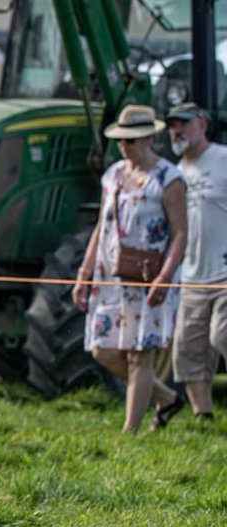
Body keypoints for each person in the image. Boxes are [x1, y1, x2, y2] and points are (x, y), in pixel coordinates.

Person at [72, 104, 188, 433]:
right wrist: (84, 273)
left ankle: (130, 434)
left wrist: (165, 278)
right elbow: (102, 227)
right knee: (103, 350)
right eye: (121, 139)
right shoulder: (112, 176)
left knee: (139, 355)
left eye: (131, 140)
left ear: (149, 138)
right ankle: (166, 398)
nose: (125, 145)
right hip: (110, 275)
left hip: (149, 277)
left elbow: (181, 233)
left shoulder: (168, 178)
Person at [167, 102, 227, 421]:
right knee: (188, 353)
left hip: (224, 272)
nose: (177, 131)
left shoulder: (223, 159)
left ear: (202, 124)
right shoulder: (174, 173)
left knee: (222, 336)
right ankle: (203, 417)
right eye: (172, 125)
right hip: (191, 276)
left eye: (184, 124)